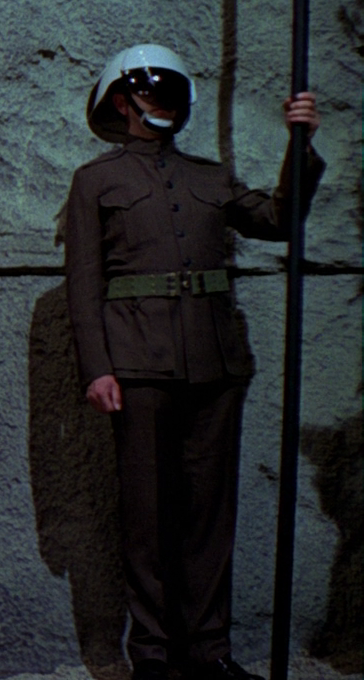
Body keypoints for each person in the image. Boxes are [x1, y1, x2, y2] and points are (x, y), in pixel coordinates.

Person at [61, 44, 322, 680]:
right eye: (151, 92)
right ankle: (152, 656)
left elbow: (279, 220)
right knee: (146, 517)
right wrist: (97, 368)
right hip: (137, 364)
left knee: (210, 516)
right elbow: (84, 283)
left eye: (173, 93)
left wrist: (300, 144)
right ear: (122, 101)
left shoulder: (212, 177)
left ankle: (209, 653)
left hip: (214, 364)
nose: (164, 104)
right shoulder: (96, 181)